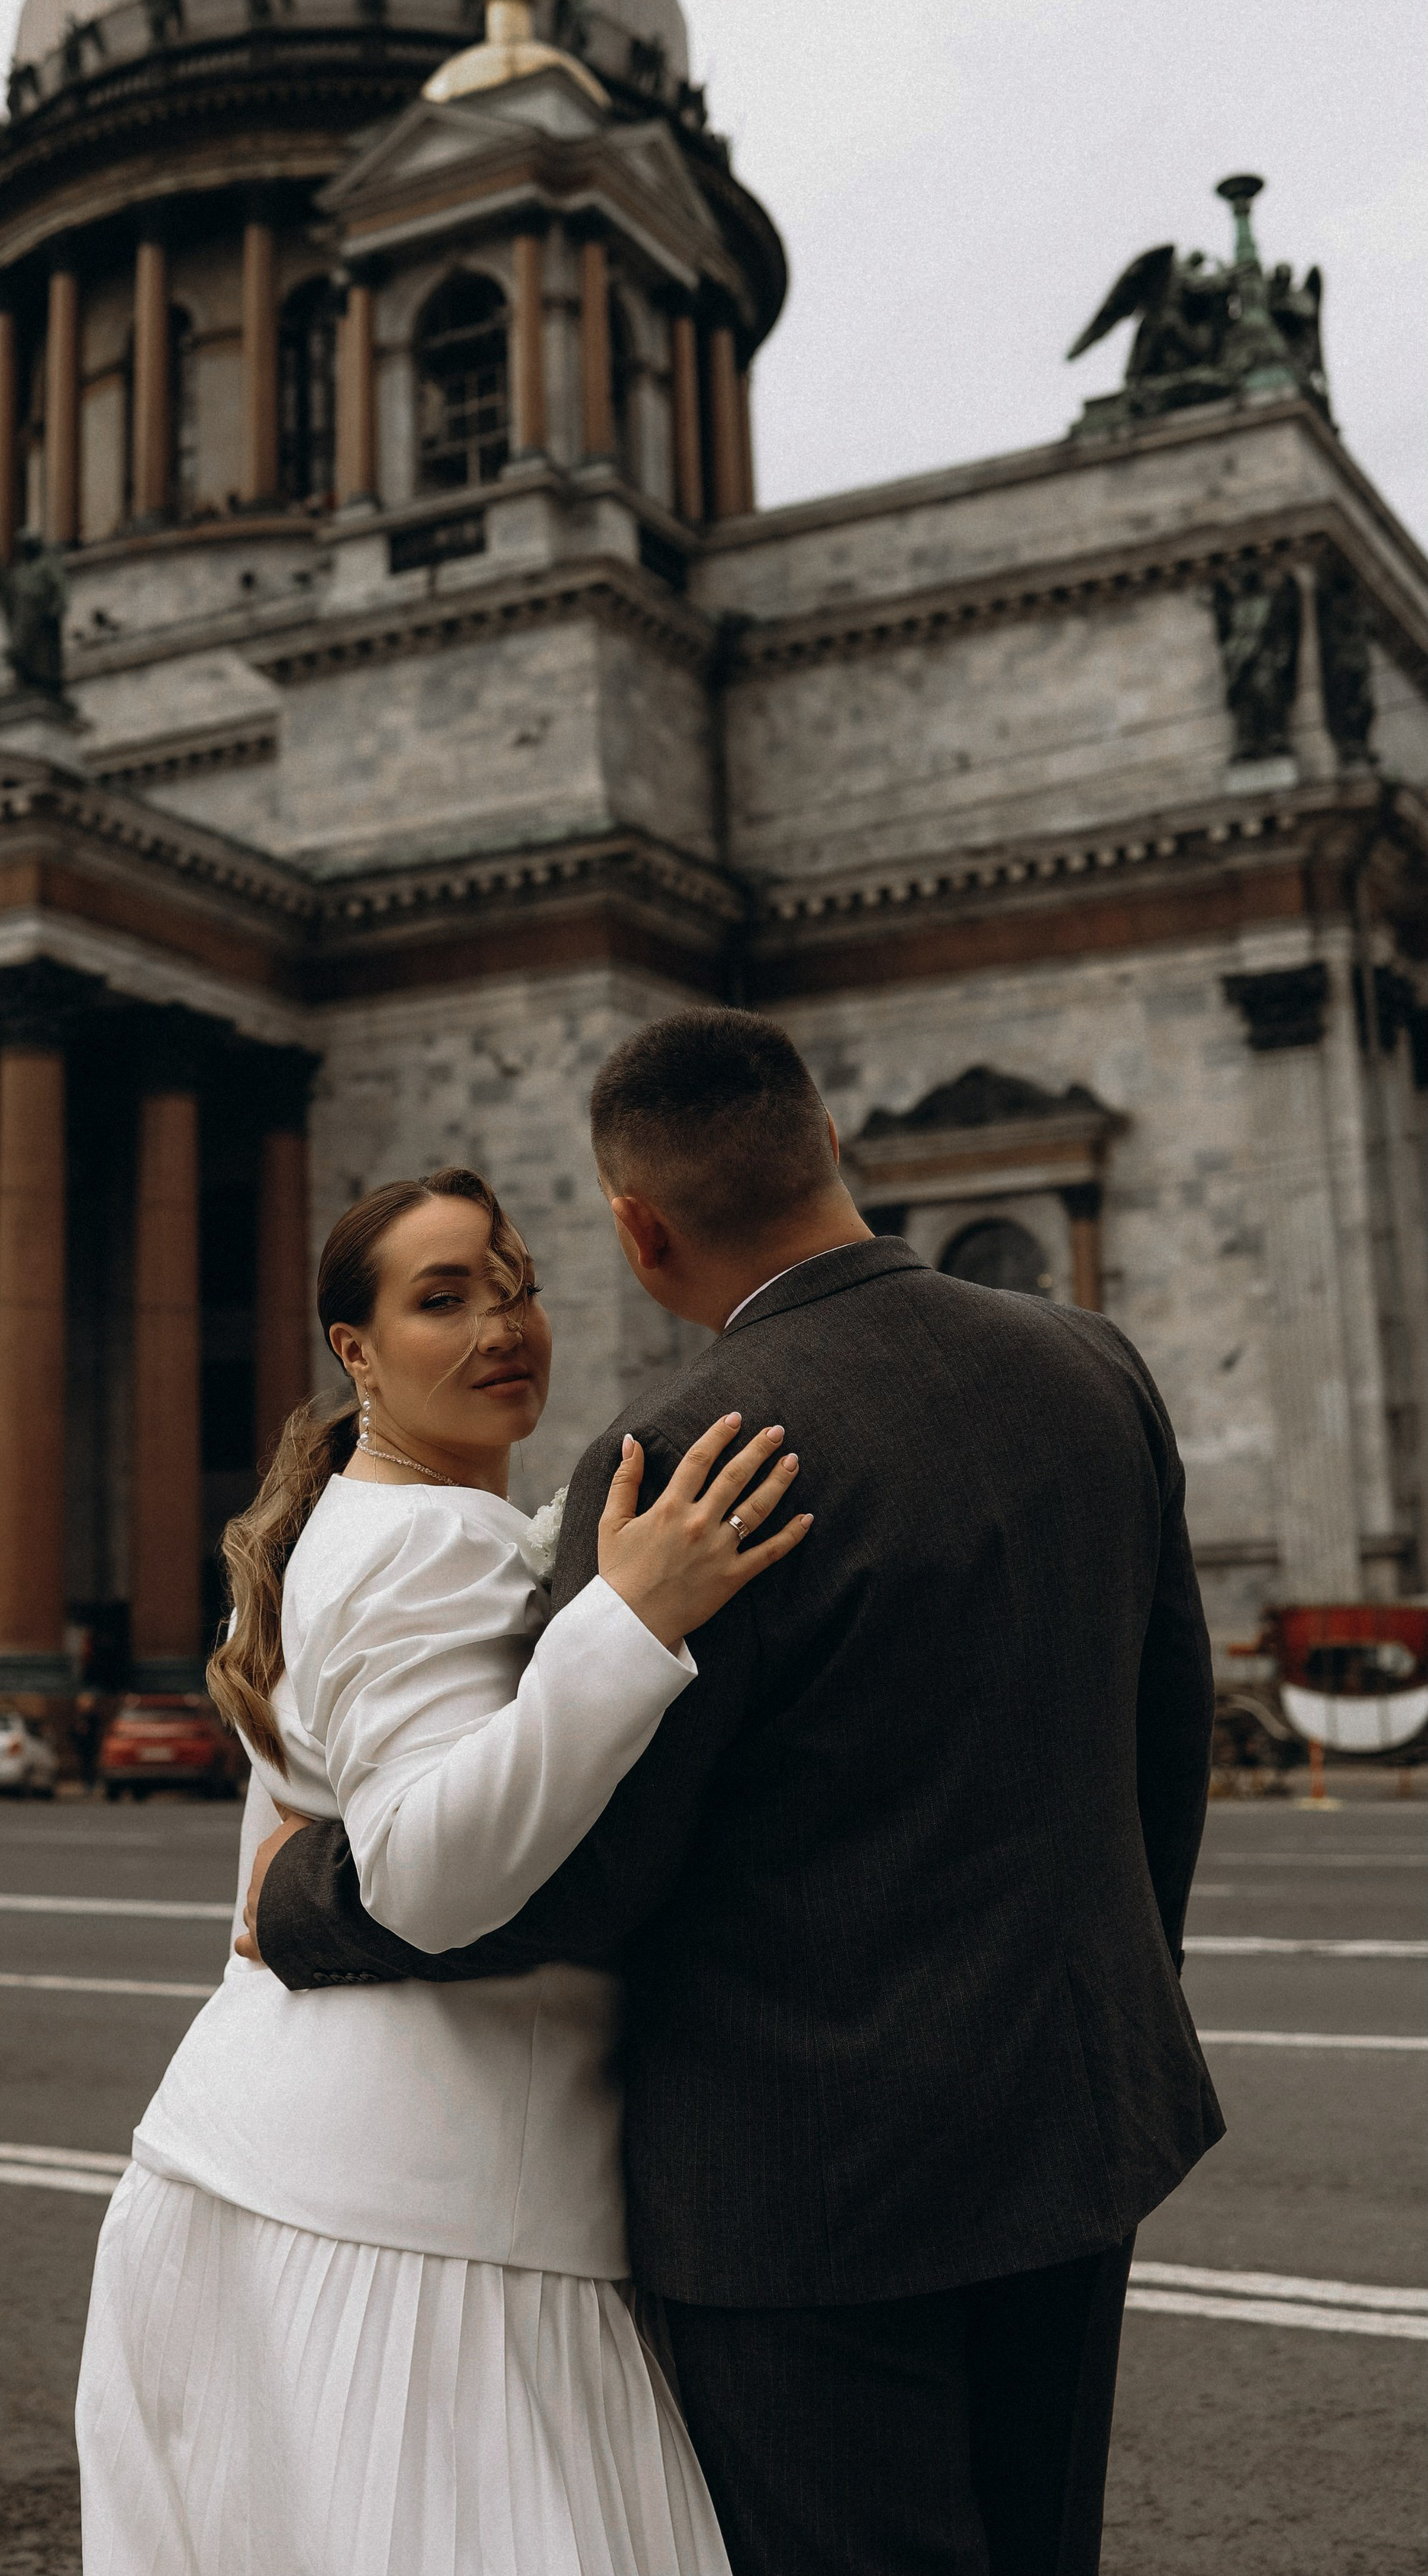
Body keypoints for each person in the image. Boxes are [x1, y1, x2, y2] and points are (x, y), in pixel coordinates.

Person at [252, 1011, 1224, 2576]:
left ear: (635, 1229)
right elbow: (1165, 1736)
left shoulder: (678, 1458)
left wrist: (307, 1890)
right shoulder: (1087, 1362)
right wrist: (1100, 2010)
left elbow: (584, 1872)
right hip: (1072, 2121)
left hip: (803, 2188)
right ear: (828, 1143)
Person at [76, 1164, 812, 2575]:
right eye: (444, 1299)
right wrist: (631, 1625)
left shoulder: (341, 1520)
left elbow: (283, 1867)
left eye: (516, 1287)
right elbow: (423, 1877)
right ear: (353, 1351)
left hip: (264, 2176)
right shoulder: (433, 1540)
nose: (502, 1325)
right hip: (425, 2232)